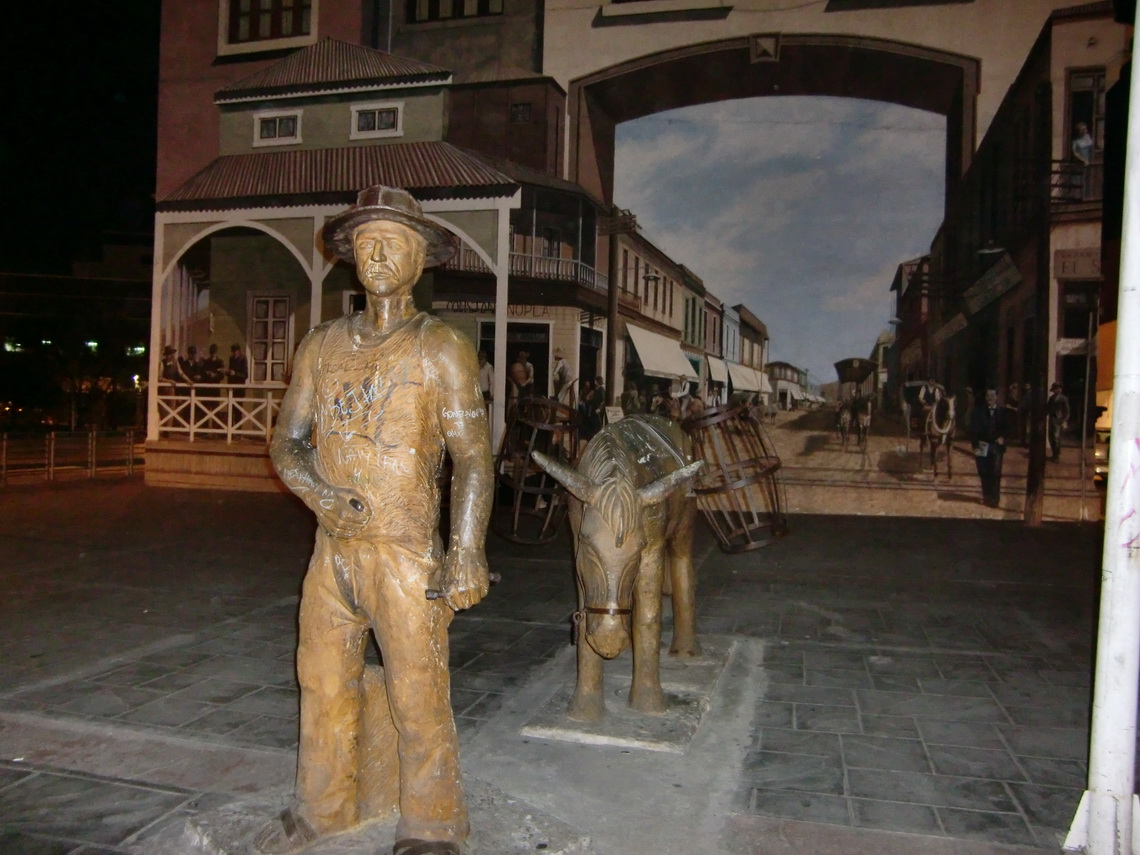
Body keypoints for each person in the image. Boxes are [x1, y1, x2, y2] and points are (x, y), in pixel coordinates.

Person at [256, 185, 492, 855]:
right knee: (323, 678)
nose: (378, 253)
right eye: (365, 243)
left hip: (405, 549)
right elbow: (287, 443)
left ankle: (433, 819)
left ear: (421, 259)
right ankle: (323, 806)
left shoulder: (441, 347)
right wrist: (317, 494)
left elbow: (475, 456)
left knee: (419, 690)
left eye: (393, 242)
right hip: (334, 549)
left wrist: (467, 549)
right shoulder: (322, 344)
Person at [969, 388, 1010, 508]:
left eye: (992, 395)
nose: (989, 398)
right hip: (982, 445)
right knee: (983, 472)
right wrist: (975, 446)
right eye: (987, 395)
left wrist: (1003, 437)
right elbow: (973, 430)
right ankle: (986, 497)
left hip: (996, 446)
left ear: (997, 397)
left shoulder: (1002, 412)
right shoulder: (978, 411)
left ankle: (995, 499)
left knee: (996, 472)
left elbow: (1008, 428)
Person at [1047, 381, 1071, 462]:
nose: (1057, 390)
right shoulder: (1051, 398)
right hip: (1052, 419)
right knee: (1051, 437)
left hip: (1059, 419)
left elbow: (1067, 410)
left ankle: (1057, 455)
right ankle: (1054, 454)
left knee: (1056, 437)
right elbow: (1048, 408)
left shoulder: (1063, 399)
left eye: (1058, 389)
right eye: (1055, 389)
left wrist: (1065, 420)